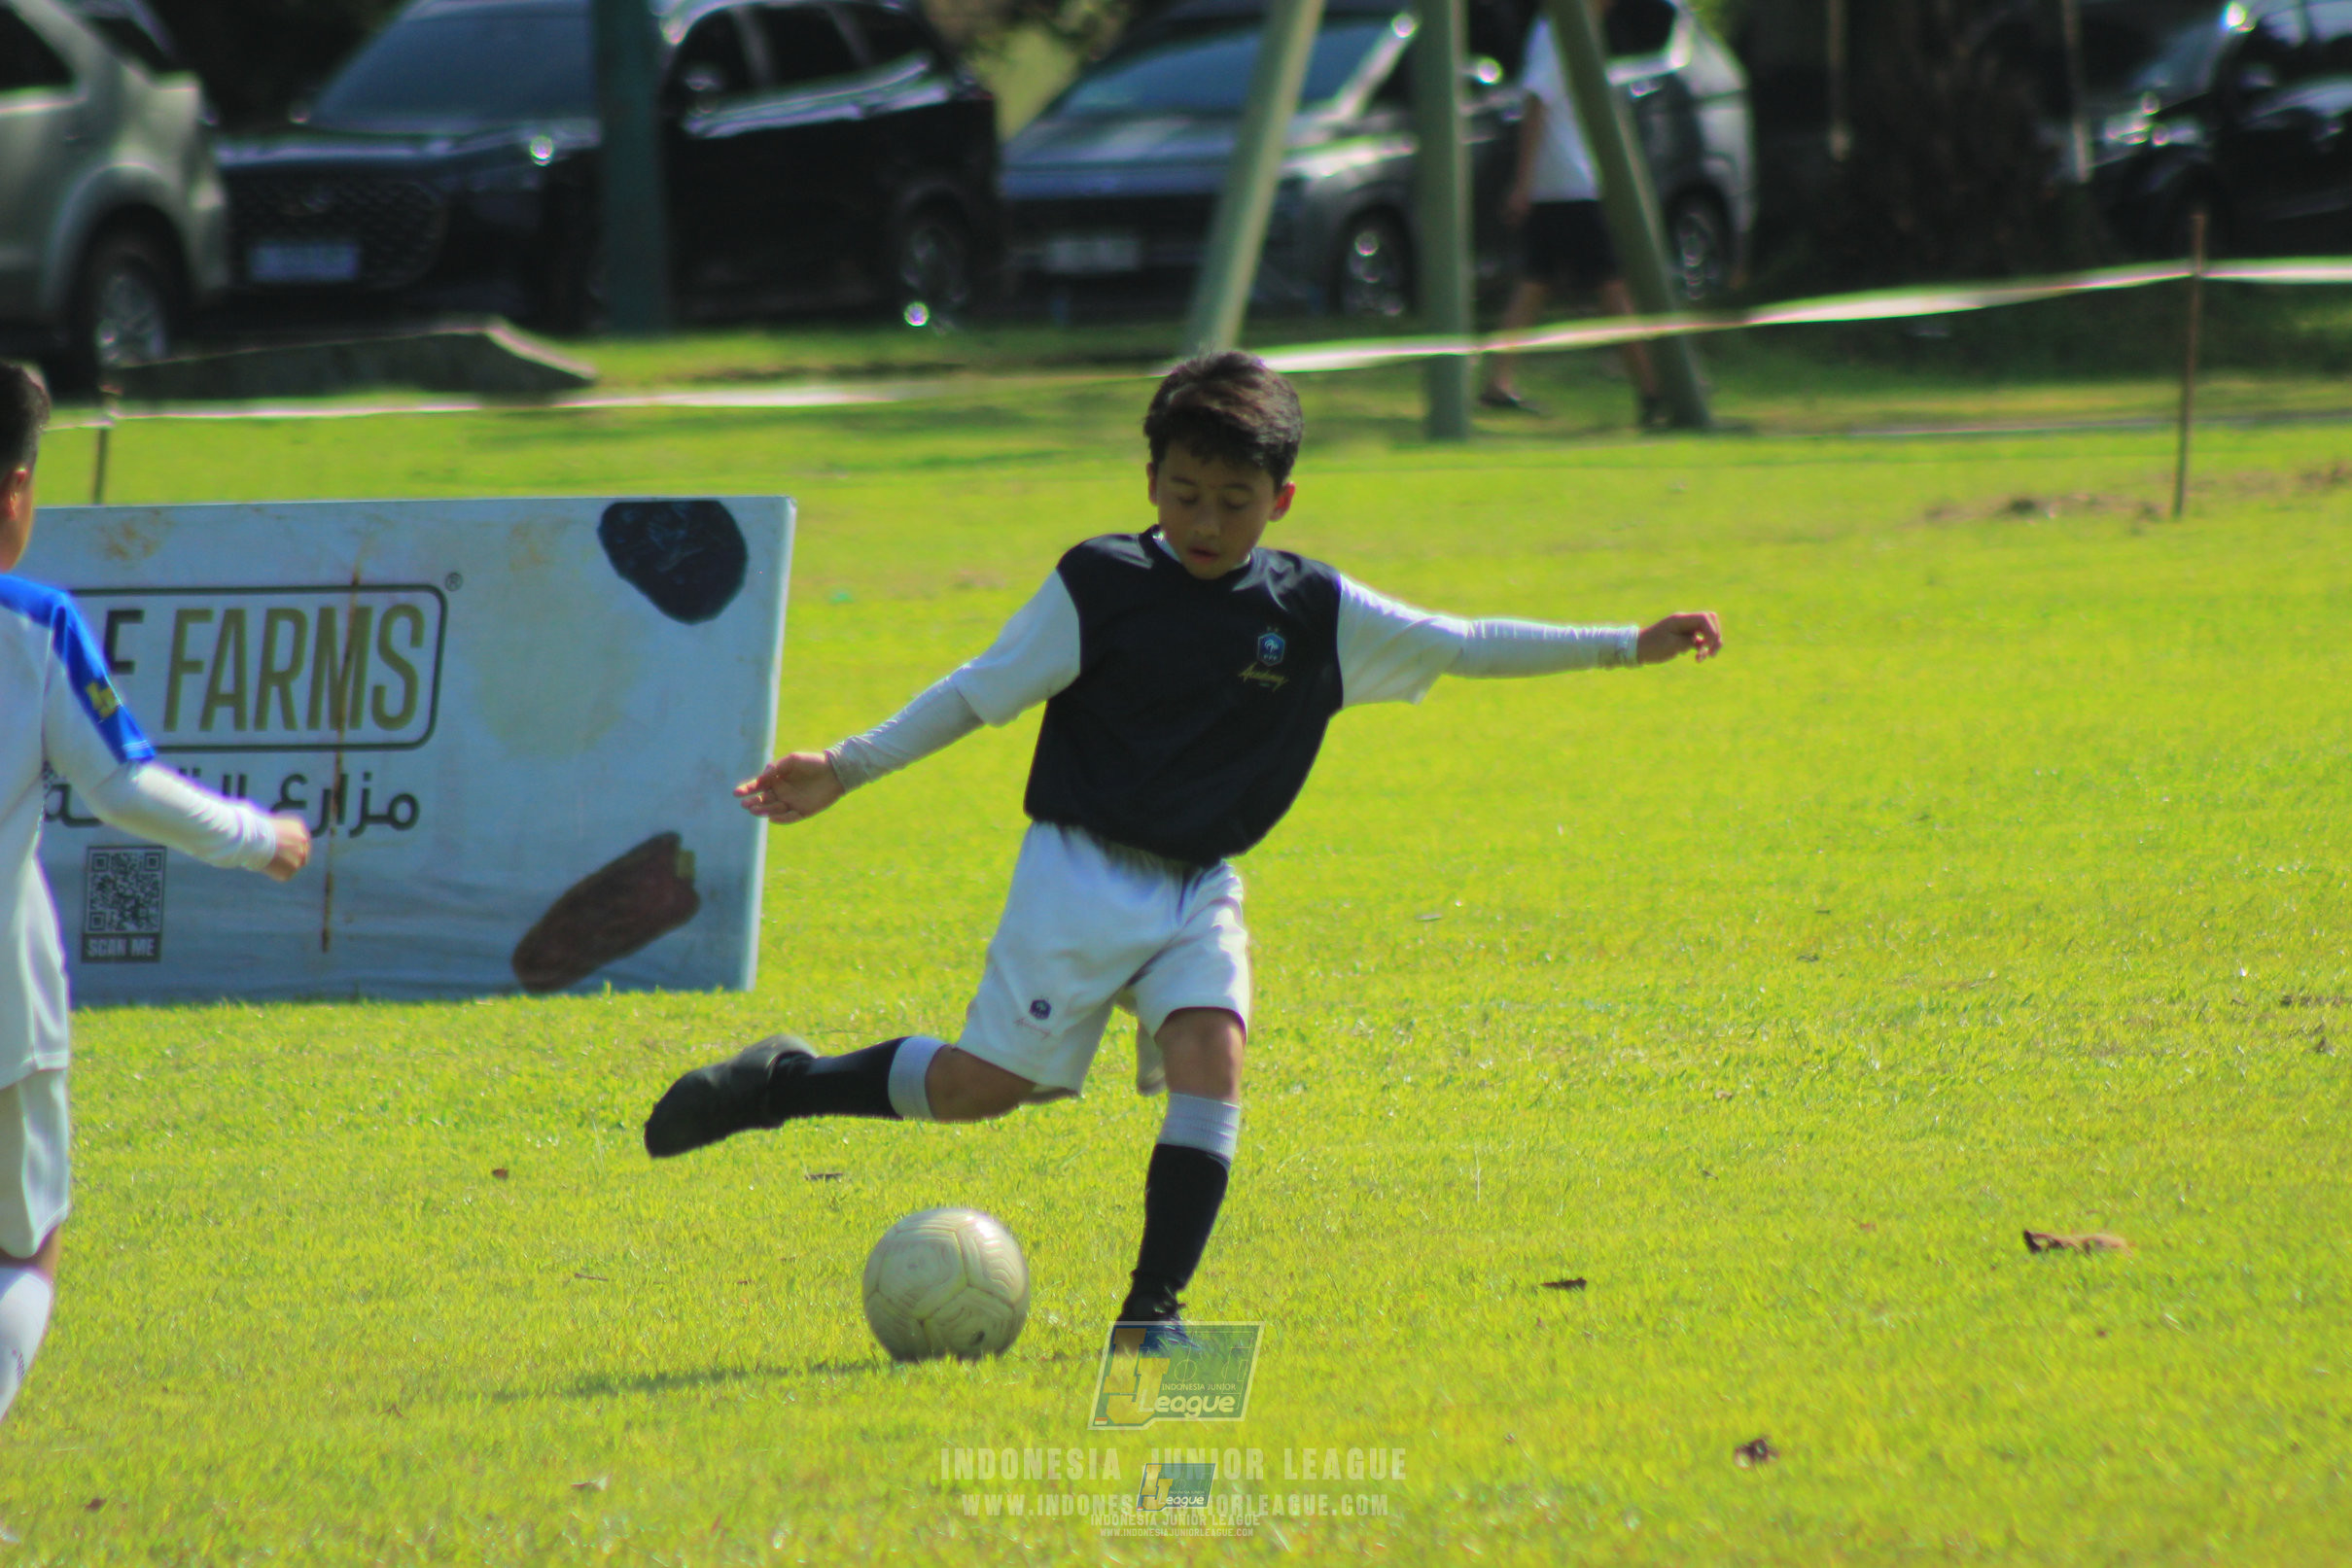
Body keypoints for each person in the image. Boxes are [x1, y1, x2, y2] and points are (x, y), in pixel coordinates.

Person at [644, 352, 1721, 1342]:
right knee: (980, 1089)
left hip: (1200, 886)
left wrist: (1627, 645)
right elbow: (977, 692)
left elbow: (1463, 642)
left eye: (1234, 501)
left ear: (1280, 499)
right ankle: (778, 1084)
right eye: (1185, 493)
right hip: (1078, 876)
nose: (1206, 521)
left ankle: (1151, 1315)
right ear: (1150, 479)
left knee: (1215, 1052)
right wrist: (846, 765)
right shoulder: (1099, 583)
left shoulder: (1313, 611)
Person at [0, 363, 311, 1422]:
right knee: (23, 1248)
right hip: (6, 1008)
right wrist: (261, 835)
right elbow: (122, 786)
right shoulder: (32, 624)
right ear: (15, 489)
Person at [1479, 2, 1666, 425]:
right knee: (1612, 285)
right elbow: (1536, 102)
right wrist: (1524, 183)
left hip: (1563, 181)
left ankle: (1497, 381)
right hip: (1569, 183)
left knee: (1535, 280)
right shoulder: (1558, 32)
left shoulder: (1569, 29)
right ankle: (1653, 389)